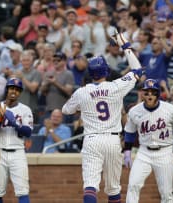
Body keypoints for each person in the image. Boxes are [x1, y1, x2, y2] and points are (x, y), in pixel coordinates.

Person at [62, 32, 143, 203]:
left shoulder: (82, 92)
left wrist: (84, 107)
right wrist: (125, 45)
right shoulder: (116, 86)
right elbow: (137, 70)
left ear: (90, 73)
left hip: (92, 139)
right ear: (106, 70)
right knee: (113, 188)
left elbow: (65, 111)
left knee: (90, 186)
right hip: (113, 140)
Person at [123, 79, 173, 203]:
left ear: (158, 94)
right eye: (146, 92)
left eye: (152, 92)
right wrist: (127, 151)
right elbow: (129, 132)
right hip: (144, 152)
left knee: (166, 192)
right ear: (142, 93)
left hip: (164, 152)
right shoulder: (134, 111)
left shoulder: (171, 109)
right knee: (133, 185)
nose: (149, 95)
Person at [0, 77, 33, 203]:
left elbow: (28, 132)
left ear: (20, 93)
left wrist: (15, 123)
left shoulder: (25, 109)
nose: (14, 91)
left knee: (23, 191)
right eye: (12, 88)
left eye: (17, 90)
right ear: (7, 89)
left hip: (18, 152)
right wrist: (1, 118)